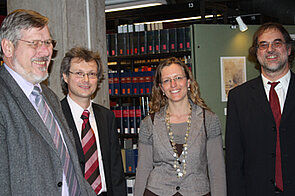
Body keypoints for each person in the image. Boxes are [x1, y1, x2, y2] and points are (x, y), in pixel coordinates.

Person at [0, 9, 96, 196]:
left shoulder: (49, 97)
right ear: (8, 47)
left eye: (47, 43)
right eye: (34, 43)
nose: (45, 52)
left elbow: (69, 164)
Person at [134, 57, 226, 196]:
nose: (173, 84)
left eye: (178, 78)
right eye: (166, 80)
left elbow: (217, 171)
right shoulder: (149, 123)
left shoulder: (209, 120)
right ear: (161, 88)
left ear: (188, 82)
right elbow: (143, 169)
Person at [226, 22, 295, 196]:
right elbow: (234, 160)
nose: (270, 49)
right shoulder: (238, 98)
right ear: (256, 53)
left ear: (288, 49)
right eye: (263, 45)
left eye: (277, 43)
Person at [60, 47, 127, 196]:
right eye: (79, 73)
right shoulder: (55, 115)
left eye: (91, 74)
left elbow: (116, 171)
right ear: (65, 76)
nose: (86, 80)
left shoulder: (106, 116)